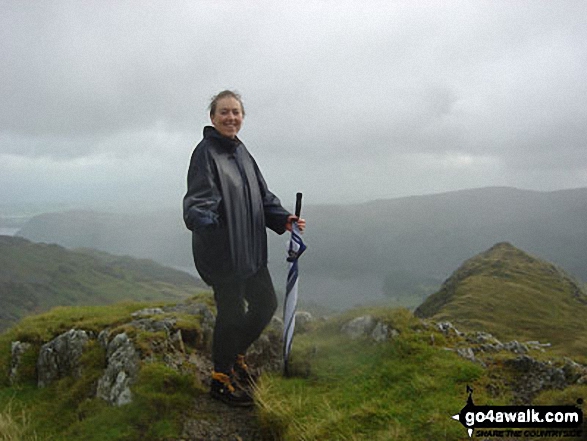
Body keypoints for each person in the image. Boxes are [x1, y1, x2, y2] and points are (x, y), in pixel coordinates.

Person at [183, 90, 306, 407]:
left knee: (265, 303)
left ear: (242, 117)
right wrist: (203, 220)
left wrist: (284, 219)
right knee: (232, 313)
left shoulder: (242, 153)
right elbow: (198, 200)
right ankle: (220, 381)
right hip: (223, 254)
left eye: (236, 112)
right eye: (224, 112)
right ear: (213, 118)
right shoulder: (205, 153)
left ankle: (234, 355)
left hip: (250, 251)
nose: (230, 117)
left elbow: (262, 198)